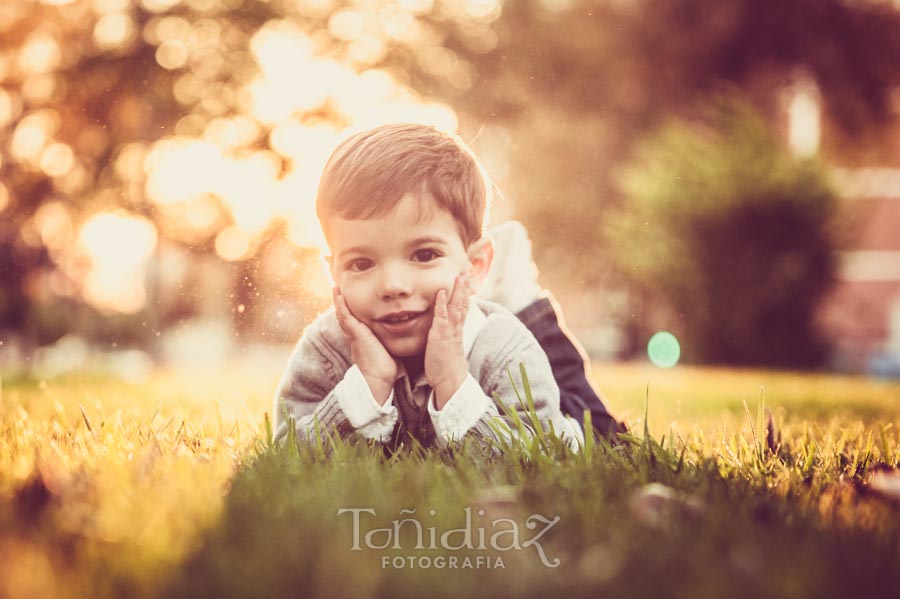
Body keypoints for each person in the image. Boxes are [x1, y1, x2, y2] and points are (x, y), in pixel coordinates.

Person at [272, 123, 625, 451]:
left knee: (600, 432)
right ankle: (492, 290)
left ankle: (521, 300)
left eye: (424, 254)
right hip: (463, 307)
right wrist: (367, 386)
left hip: (562, 411)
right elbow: (287, 453)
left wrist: (454, 384)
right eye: (362, 264)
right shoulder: (325, 348)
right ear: (332, 272)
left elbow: (539, 458)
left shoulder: (505, 349)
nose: (392, 286)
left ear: (474, 264)